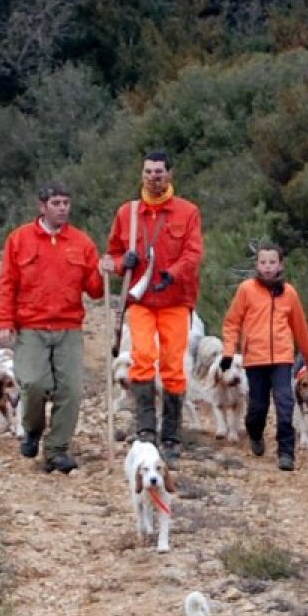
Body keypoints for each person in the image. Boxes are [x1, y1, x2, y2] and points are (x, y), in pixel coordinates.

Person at [99, 150, 203, 465]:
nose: (153, 177)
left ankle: (171, 435)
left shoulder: (187, 212)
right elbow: (111, 256)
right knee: (142, 358)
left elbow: (194, 252)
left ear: (170, 174)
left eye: (159, 172)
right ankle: (145, 430)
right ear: (141, 175)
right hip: (141, 300)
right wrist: (121, 264)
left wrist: (173, 273)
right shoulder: (127, 214)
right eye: (148, 172)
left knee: (173, 365)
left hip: (175, 300)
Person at [0, 182, 103, 474]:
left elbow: (95, 290)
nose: (62, 208)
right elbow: (7, 284)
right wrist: (4, 322)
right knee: (33, 383)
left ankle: (56, 450)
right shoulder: (19, 240)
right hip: (31, 326)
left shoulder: (82, 242)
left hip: (68, 326)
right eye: (56, 203)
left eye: (66, 203)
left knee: (71, 390)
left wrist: (107, 270)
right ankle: (32, 429)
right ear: (42, 206)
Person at [220, 242, 308, 471]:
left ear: (280, 264)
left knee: (285, 402)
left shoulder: (290, 294)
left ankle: (286, 452)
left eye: (272, 262)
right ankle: (255, 432)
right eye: (263, 262)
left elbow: (301, 330)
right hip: (255, 358)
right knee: (258, 406)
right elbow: (232, 322)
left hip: (282, 358)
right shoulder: (246, 289)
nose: (267, 267)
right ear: (256, 265)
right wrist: (228, 351)